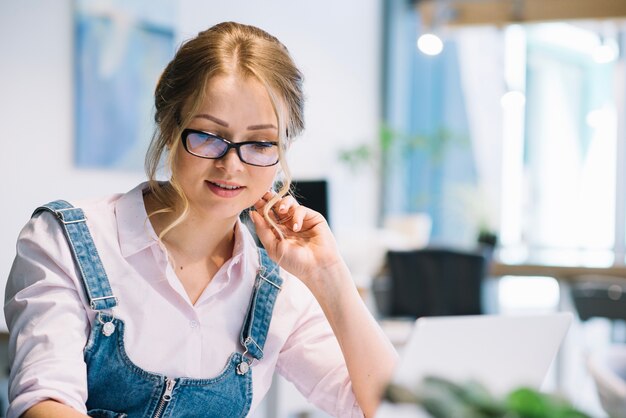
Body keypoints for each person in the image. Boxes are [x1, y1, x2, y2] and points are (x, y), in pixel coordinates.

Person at [4, 21, 398, 418]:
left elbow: (383, 407)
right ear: (170, 126)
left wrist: (329, 274)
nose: (232, 165)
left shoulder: (275, 291)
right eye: (209, 136)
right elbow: (44, 403)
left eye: (261, 143)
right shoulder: (68, 240)